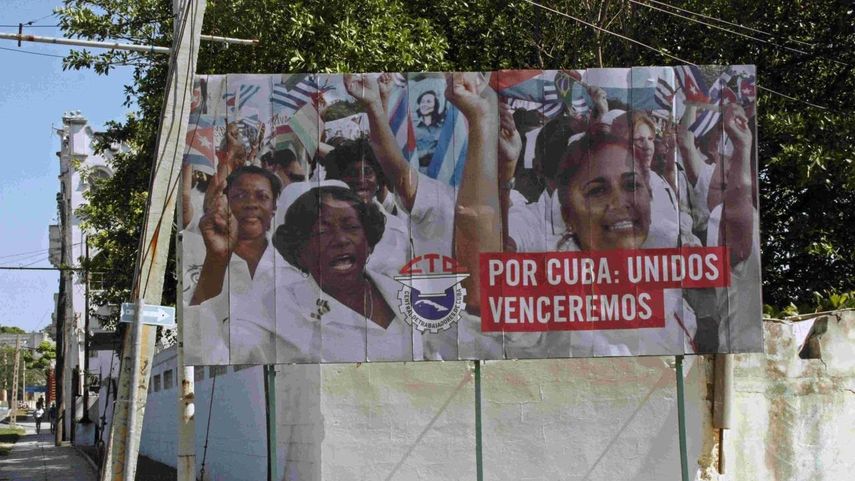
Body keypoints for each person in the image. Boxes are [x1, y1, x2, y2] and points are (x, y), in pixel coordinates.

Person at [272, 186, 418, 362]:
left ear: (369, 242)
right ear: (299, 252)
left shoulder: (407, 294)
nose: (341, 240)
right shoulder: (276, 315)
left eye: (351, 227)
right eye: (322, 232)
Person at [184, 164, 282, 364]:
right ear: (225, 201)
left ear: (274, 208)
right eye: (240, 196)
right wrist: (216, 259)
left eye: (262, 197)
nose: (251, 204)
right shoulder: (192, 250)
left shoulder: (296, 264)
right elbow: (192, 341)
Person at [413, 90, 445, 169]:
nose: (424, 104)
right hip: (417, 172)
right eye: (422, 102)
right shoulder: (412, 127)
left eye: (428, 102)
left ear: (435, 105)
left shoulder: (442, 128)